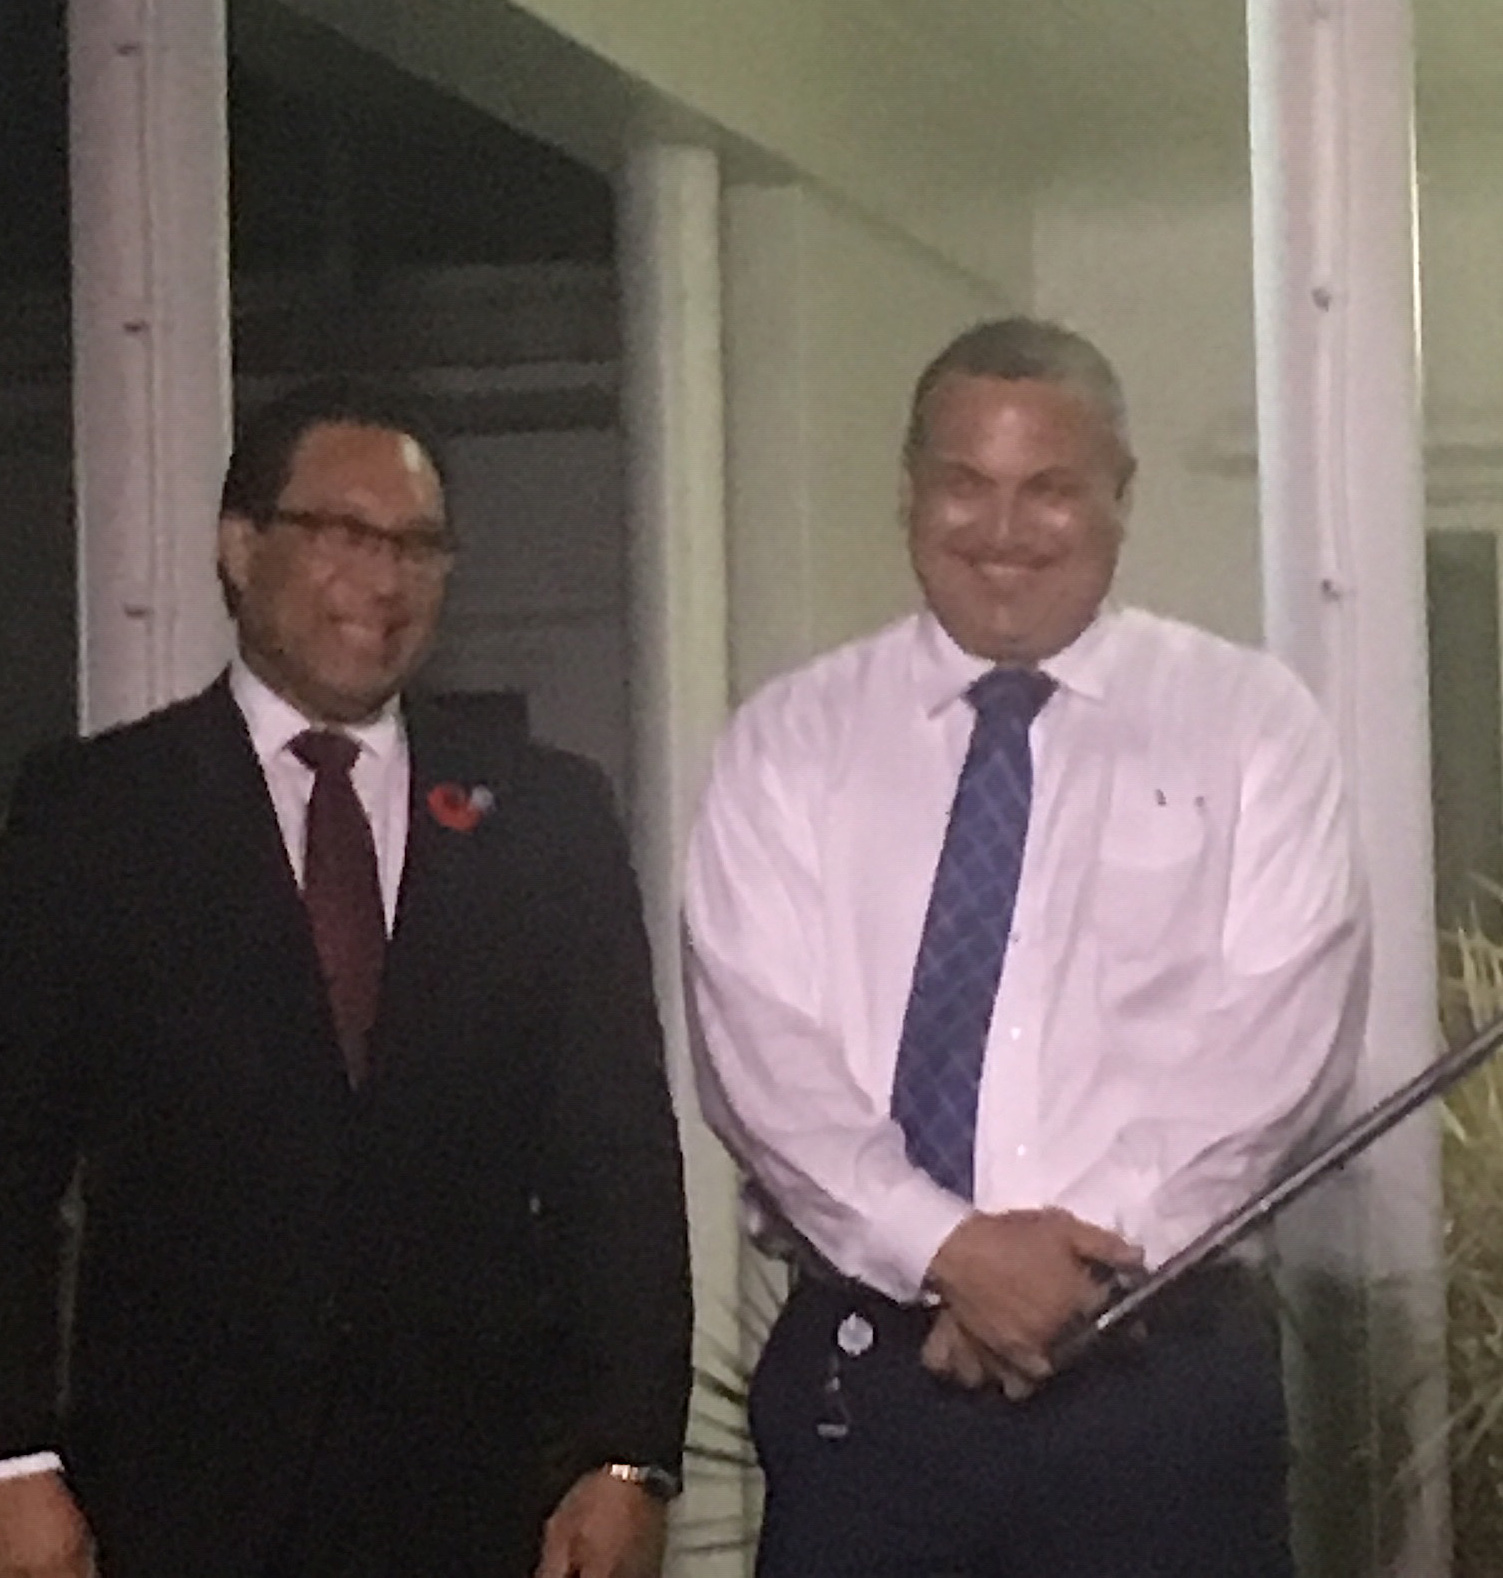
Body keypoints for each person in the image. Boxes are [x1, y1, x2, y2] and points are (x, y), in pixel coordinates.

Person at [683, 317, 1370, 1577]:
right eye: (965, 484)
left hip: (1159, 1383)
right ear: (909, 491)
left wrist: (1057, 1273)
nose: (1003, 531)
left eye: (1049, 488)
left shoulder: (1250, 725)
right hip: (872, 1388)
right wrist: (946, 1252)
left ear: (1121, 496)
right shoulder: (788, 741)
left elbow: (1282, 1042)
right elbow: (757, 1056)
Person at [0, 379, 692, 1578]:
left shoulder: (543, 818)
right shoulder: (97, 816)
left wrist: (628, 1457)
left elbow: (619, 1164)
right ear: (240, 547)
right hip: (173, 1499)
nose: (385, 579)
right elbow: (12, 1162)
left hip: (480, 1501)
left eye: (418, 545)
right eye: (344, 534)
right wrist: (14, 1460)